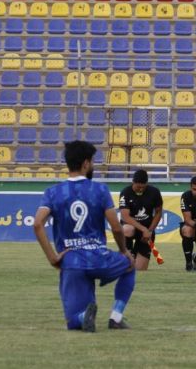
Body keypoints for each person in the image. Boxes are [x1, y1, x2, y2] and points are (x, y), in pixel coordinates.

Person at [33, 141, 135, 331]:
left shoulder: (53, 192)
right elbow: (117, 228)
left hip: (71, 261)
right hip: (100, 257)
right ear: (86, 163)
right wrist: (124, 251)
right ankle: (116, 316)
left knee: (73, 322)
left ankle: (82, 316)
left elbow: (38, 223)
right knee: (129, 265)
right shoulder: (100, 190)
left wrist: (52, 258)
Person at [119, 169, 163, 271]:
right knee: (127, 229)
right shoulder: (125, 192)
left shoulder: (154, 192)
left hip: (147, 232)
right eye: (138, 187)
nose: (140, 189)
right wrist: (144, 229)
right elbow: (125, 217)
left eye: (143, 187)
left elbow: (158, 212)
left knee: (140, 270)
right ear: (133, 182)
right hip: (132, 228)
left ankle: (135, 253)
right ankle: (128, 255)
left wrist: (150, 230)